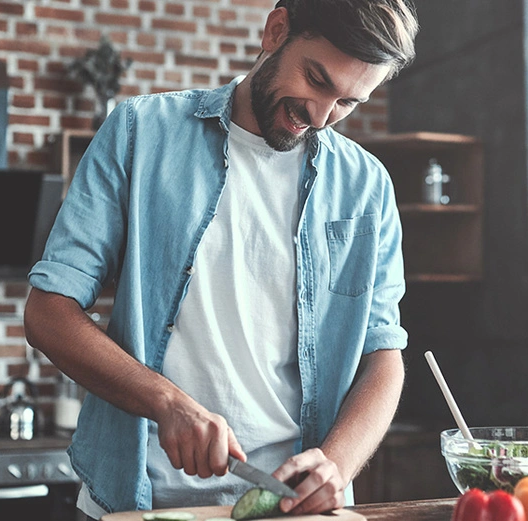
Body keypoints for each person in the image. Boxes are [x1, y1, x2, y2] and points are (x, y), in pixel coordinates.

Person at [23, 1, 419, 519]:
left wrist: (336, 465)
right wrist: (167, 402)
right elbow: (48, 312)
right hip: (138, 501)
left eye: (348, 102)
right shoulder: (141, 132)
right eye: (317, 79)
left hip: (292, 509)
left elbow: (382, 352)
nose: (321, 117)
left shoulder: (367, 186)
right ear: (277, 30)